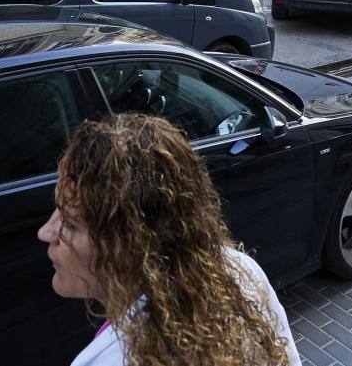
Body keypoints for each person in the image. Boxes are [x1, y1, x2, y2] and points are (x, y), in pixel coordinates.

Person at [38, 113, 302, 366]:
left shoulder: (115, 360)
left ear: (129, 245)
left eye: (70, 224)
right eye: (57, 209)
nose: (46, 233)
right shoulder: (240, 270)